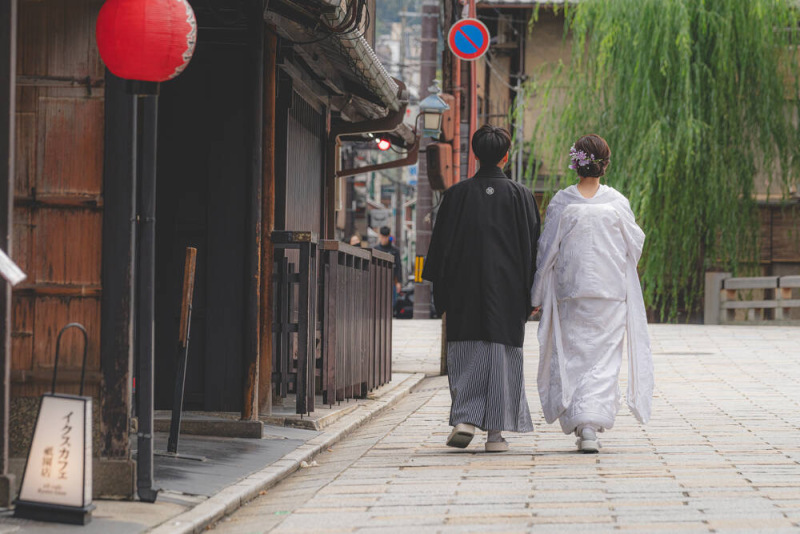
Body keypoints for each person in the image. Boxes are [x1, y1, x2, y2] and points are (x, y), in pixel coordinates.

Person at [530, 134, 654, 453]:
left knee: (572, 358)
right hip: (610, 294)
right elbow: (634, 246)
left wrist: (536, 294)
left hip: (572, 294)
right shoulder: (617, 203)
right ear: (605, 165)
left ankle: (581, 421)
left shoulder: (563, 201)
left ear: (575, 164)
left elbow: (546, 251)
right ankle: (590, 424)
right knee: (603, 360)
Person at [422, 125, 540, 453]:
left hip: (464, 293)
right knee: (502, 359)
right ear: (506, 155)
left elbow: (440, 250)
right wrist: (534, 294)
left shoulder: (456, 195)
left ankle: (464, 418)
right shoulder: (522, 196)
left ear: (474, 154)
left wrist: (441, 296)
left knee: (468, 353)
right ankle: (496, 436)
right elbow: (534, 250)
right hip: (508, 294)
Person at [375, 226, 402, 305]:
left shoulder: (395, 251)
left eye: (386, 237)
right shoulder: (375, 249)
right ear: (380, 236)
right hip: (378, 281)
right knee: (378, 302)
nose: (384, 239)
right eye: (382, 237)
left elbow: (398, 266)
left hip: (391, 280)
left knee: (391, 302)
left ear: (389, 236)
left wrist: (399, 282)